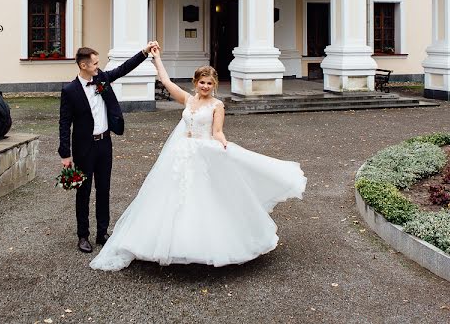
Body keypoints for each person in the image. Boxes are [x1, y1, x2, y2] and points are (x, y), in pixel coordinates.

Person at [90, 47, 307, 270]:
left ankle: (204, 245)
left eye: (209, 83)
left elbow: (217, 131)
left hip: (202, 152)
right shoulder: (188, 99)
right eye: (202, 82)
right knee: (170, 197)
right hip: (180, 153)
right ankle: (170, 243)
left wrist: (222, 142)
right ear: (196, 82)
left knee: (204, 197)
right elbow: (165, 81)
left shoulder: (217, 105)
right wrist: (156, 58)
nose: (205, 86)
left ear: (214, 85)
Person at [59, 42, 159, 253]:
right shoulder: (69, 91)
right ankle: (83, 236)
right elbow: (64, 123)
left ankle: (102, 233)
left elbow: (123, 69)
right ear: (83, 65)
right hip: (83, 148)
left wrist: (144, 52)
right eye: (95, 63)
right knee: (83, 192)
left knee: (104, 190)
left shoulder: (102, 79)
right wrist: (65, 153)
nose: (98, 66)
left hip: (105, 144)